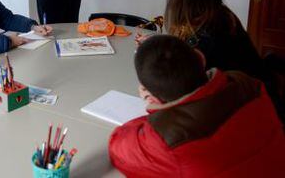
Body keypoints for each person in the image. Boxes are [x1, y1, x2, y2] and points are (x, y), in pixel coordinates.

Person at [109, 35, 285, 177]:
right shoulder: (247, 83)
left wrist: (156, 108)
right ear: (201, 58)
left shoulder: (165, 140)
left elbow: (118, 147)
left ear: (149, 93)